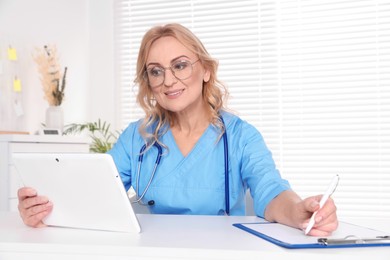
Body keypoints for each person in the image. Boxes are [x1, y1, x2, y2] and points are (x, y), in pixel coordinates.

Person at [17, 23, 338, 236]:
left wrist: (298, 212)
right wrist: (43, 208)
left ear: (206, 71)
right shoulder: (137, 137)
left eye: (180, 65)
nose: (168, 80)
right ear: (149, 83)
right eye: (156, 71)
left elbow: (270, 191)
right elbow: (94, 192)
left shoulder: (240, 136)